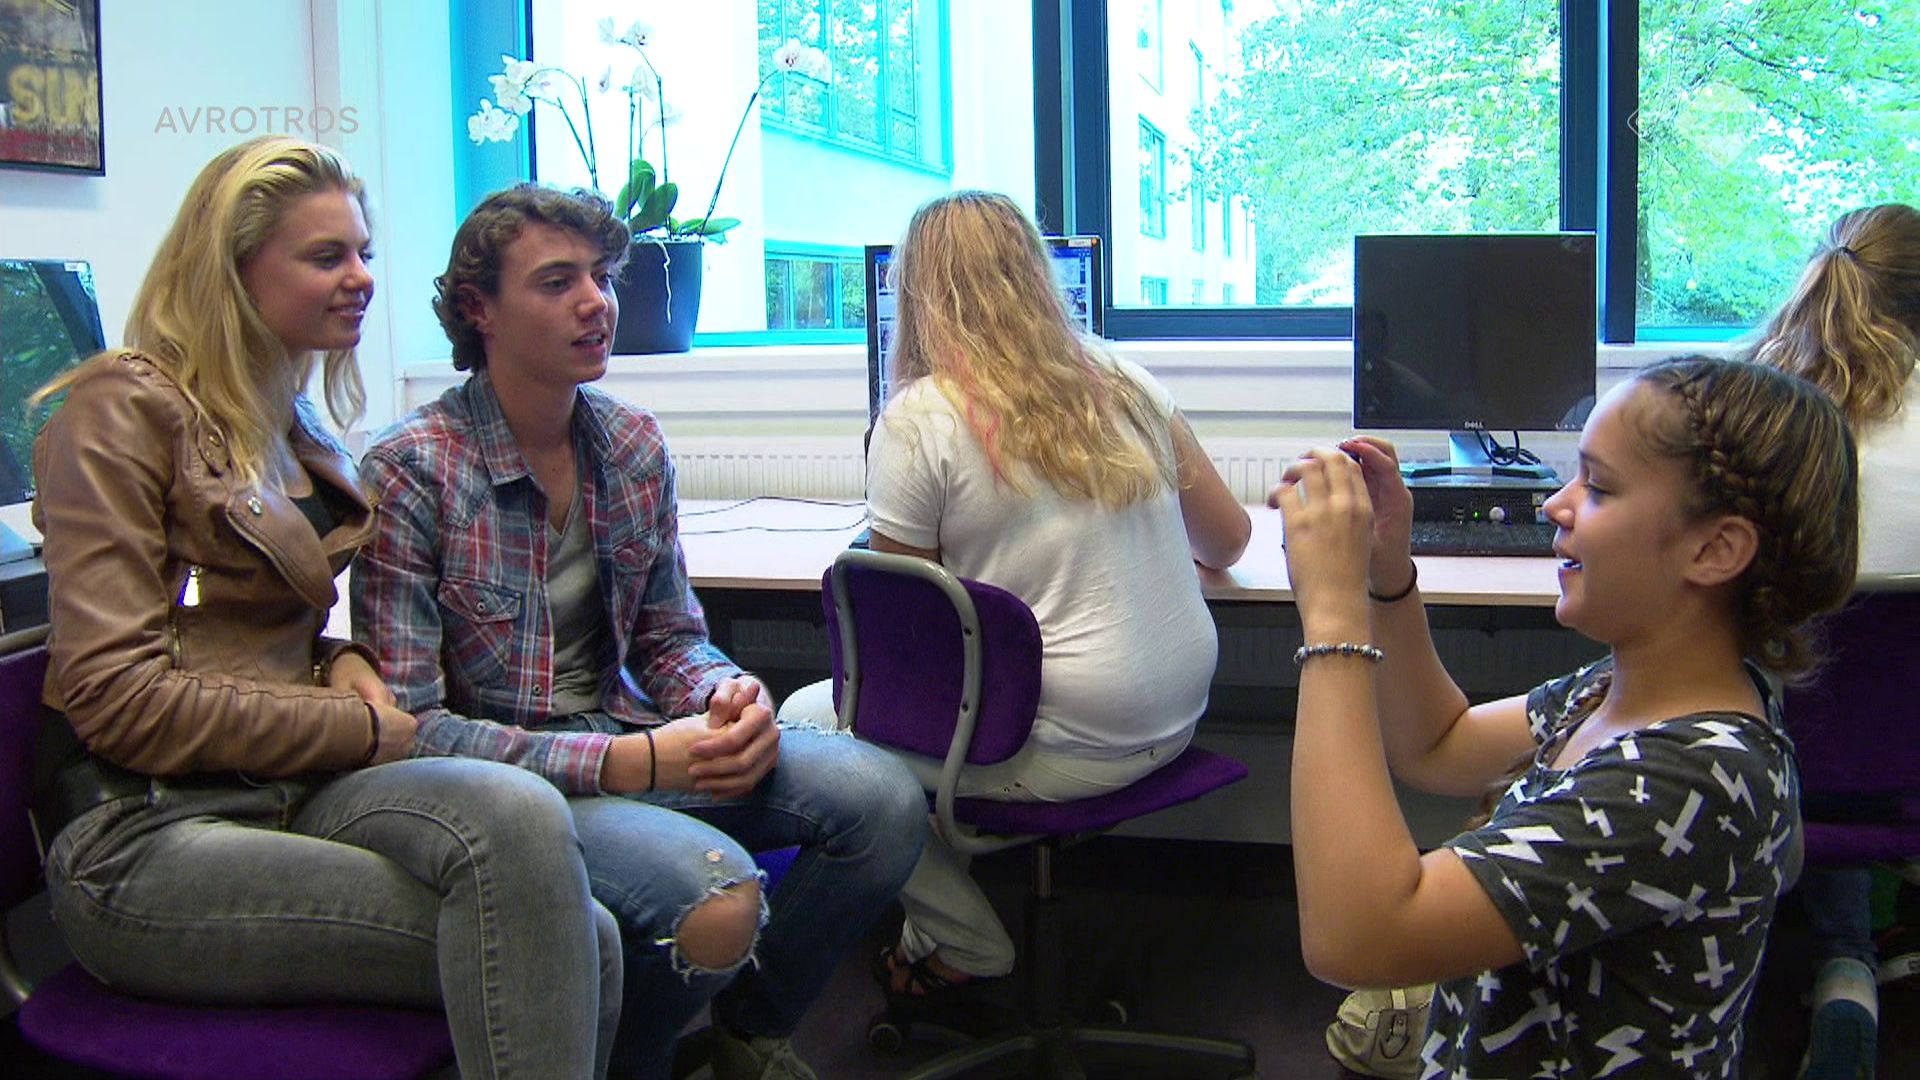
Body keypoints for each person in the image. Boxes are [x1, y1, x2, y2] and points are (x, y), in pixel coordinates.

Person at [28, 138, 619, 1079]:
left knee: (530, 829)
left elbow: (242, 622)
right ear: (233, 270)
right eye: (325, 257)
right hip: (146, 835)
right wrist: (358, 725)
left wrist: (338, 655)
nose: (362, 278)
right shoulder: (122, 408)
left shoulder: (285, 422)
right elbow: (117, 698)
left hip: (282, 793)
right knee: (567, 939)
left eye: (364, 253)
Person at [349, 183, 927, 1080]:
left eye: (603, 277)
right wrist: (631, 762)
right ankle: (626, 1057)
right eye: (557, 283)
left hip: (628, 743)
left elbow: (667, 638)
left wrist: (725, 693)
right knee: (709, 894)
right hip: (509, 795)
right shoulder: (411, 469)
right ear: (479, 310)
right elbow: (413, 732)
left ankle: (747, 1029)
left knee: (885, 799)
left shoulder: (629, 444)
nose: (596, 303)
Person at [1270, 356, 1858, 1077]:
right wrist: (1385, 574)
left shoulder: (1693, 776)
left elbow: (1358, 938)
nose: (1556, 504)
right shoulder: (1627, 688)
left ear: (1715, 549)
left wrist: (1332, 616)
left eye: (1599, 487)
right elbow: (1438, 744)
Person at [779, 190, 1251, 1010]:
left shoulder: (921, 419)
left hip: (1067, 741)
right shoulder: (1127, 383)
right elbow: (1229, 540)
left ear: (916, 296)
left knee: (801, 722)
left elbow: (906, 653)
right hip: (1176, 717)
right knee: (903, 724)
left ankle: (959, 936)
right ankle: (931, 926)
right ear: (1038, 276)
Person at [1748, 202, 1920, 1080]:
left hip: (1763, 772)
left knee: (1812, 714)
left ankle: (1841, 963)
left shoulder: (1750, 425)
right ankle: (1849, 966)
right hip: (1905, 775)